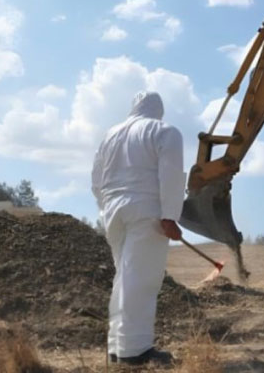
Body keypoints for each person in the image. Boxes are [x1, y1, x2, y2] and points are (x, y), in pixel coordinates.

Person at [91, 91, 186, 366]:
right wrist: (170, 215)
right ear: (159, 110)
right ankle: (136, 351)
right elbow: (170, 174)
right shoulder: (165, 131)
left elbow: (96, 180)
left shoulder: (110, 135)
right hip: (146, 210)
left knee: (124, 278)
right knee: (141, 281)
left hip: (112, 212)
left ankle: (117, 346)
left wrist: (106, 207)